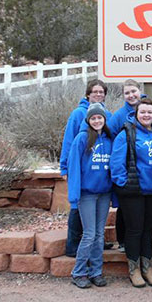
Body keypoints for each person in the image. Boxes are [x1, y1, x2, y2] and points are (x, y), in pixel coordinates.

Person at [110, 98, 152, 288]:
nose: (146, 115)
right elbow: (116, 164)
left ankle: (147, 267)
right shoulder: (126, 134)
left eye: (150, 112)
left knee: (147, 229)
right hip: (133, 190)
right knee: (134, 230)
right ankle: (134, 269)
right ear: (136, 114)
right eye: (142, 112)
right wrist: (123, 183)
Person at [60, 79, 111, 257]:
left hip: (99, 173)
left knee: (95, 221)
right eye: (94, 92)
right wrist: (65, 167)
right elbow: (69, 141)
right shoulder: (78, 114)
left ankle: (96, 245)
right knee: (77, 207)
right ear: (88, 94)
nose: (98, 95)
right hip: (81, 170)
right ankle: (73, 246)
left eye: (101, 92)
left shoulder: (106, 114)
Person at [68, 103, 113, 289]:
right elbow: (74, 168)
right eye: (93, 118)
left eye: (99, 118)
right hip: (86, 194)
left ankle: (96, 272)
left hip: (104, 193)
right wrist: (74, 194)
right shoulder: (82, 139)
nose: (97, 121)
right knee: (89, 234)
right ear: (88, 120)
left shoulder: (110, 140)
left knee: (99, 234)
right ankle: (78, 272)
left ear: (104, 119)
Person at [107, 79, 144, 253]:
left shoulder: (147, 109)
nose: (131, 95)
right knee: (124, 207)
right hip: (125, 166)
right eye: (127, 93)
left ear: (140, 90)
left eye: (133, 91)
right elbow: (108, 135)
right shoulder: (119, 116)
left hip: (144, 167)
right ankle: (122, 240)